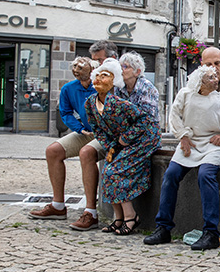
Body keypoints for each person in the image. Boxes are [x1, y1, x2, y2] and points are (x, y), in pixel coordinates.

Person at [144, 65, 220, 250]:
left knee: (206, 175)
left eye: (216, 77)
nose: (216, 80)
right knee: (171, 175)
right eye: (211, 77)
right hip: (190, 143)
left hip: (215, 145)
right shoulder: (185, 94)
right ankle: (163, 228)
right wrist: (183, 136)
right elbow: (174, 115)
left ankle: (211, 233)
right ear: (200, 81)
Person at [84, 59, 160, 235]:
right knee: (107, 172)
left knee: (114, 171)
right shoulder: (95, 100)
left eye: (126, 67)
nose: (98, 79)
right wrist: (112, 145)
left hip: (144, 138)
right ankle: (118, 218)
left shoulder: (138, 92)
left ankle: (130, 216)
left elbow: (146, 120)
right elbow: (98, 128)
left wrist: (124, 139)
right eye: (97, 76)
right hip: (123, 141)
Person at [30, 57, 103, 224]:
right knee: (53, 151)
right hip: (86, 132)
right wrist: (78, 128)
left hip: (104, 134)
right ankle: (58, 205)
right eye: (74, 66)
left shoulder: (100, 86)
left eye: (80, 66)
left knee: (86, 153)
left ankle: (91, 211)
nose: (76, 69)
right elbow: (65, 112)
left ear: (91, 69)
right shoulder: (69, 88)